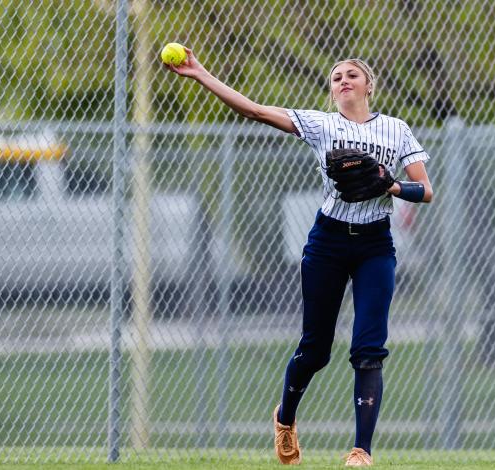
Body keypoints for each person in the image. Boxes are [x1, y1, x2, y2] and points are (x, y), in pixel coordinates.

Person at [166, 48, 433, 467]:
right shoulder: (321, 124)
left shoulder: (396, 130)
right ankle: (285, 418)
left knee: (368, 347)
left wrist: (390, 185)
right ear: (332, 91)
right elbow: (254, 111)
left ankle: (361, 450)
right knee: (316, 349)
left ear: (368, 85)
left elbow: (426, 191)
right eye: (336, 77)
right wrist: (201, 74)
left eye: (351, 75)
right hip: (327, 243)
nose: (343, 80)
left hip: (375, 245)